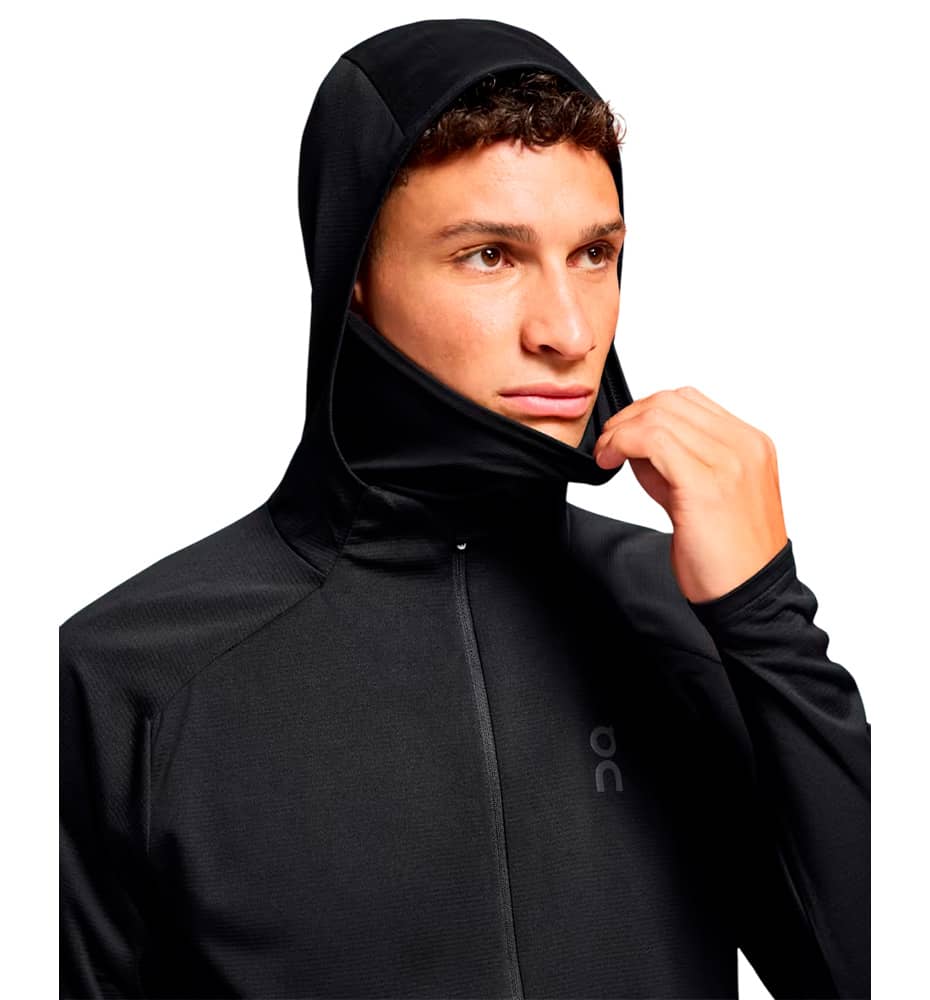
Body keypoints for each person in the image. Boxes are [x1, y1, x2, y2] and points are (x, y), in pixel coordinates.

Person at [60, 17, 871, 1000]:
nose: (568, 330)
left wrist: (763, 612)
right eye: (490, 255)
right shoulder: (125, 679)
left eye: (595, 253)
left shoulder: (690, 618)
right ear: (353, 276)